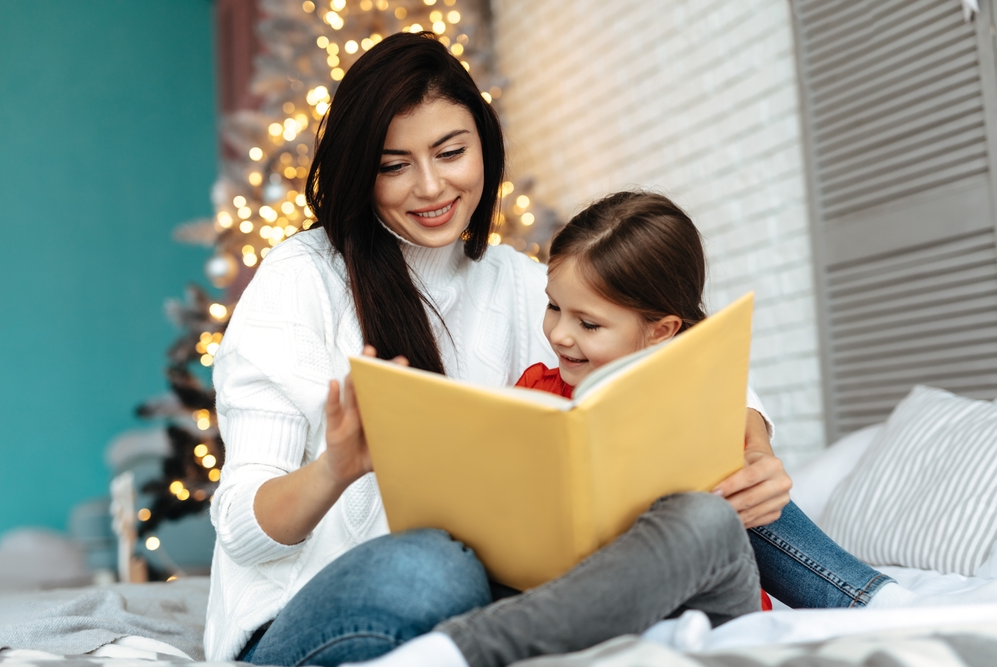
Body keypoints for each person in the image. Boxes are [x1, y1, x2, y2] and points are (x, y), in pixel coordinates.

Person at [205, 31, 990, 667]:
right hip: (304, 621)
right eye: (393, 165)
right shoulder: (298, 283)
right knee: (430, 562)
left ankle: (871, 600)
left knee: (702, 514)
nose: (431, 187)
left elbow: (673, 357)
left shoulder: (520, 281)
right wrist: (336, 467)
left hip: (503, 585)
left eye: (451, 152)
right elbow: (242, 524)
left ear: (485, 145)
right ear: (357, 172)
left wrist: (750, 445)